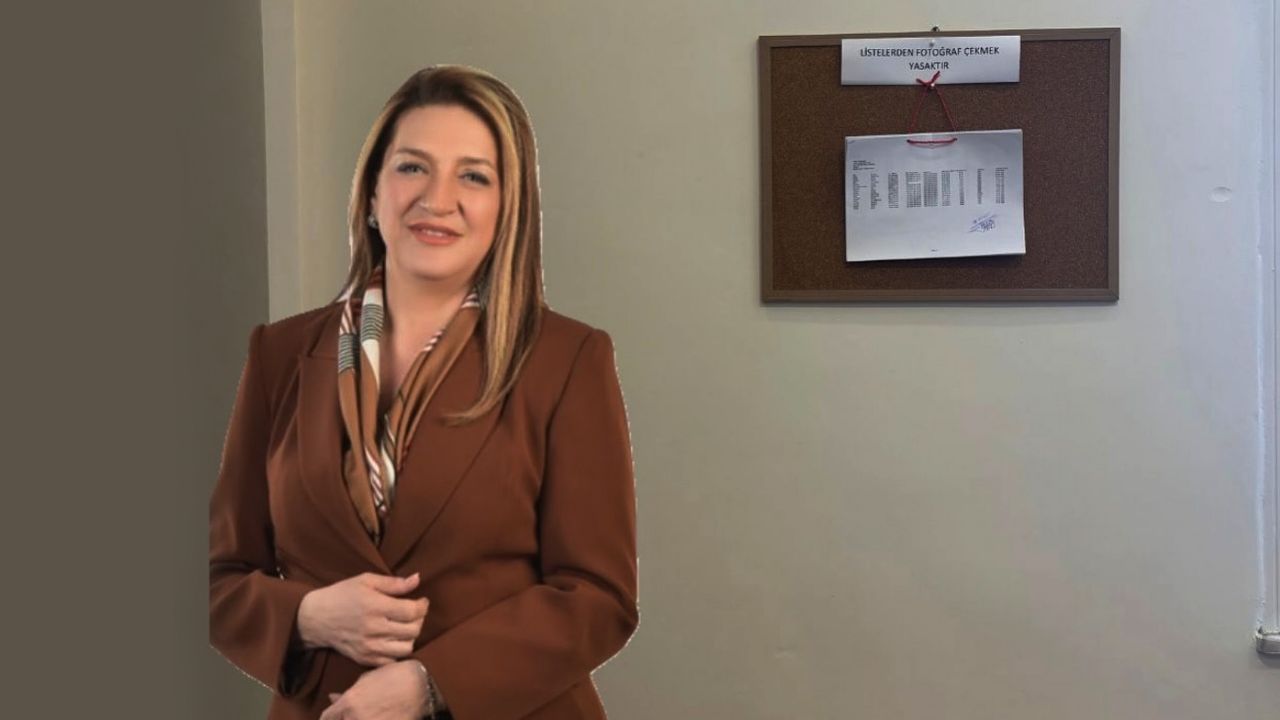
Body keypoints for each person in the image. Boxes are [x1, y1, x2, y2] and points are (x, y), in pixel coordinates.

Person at [209, 65, 639, 720]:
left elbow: (598, 596)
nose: (437, 199)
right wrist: (307, 614)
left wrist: (431, 683)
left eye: (474, 176)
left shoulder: (567, 360)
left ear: (507, 208)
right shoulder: (279, 354)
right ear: (372, 193)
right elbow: (220, 582)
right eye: (413, 167)